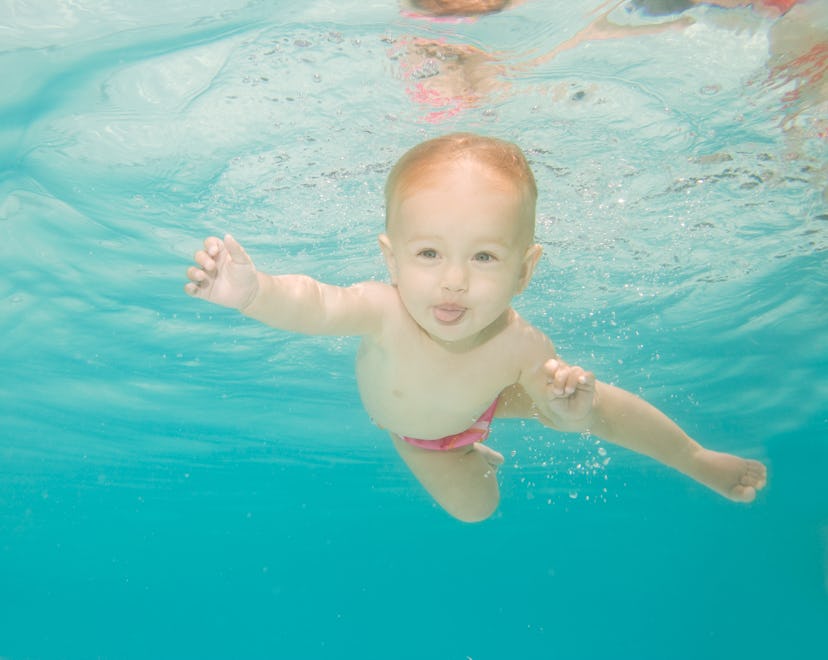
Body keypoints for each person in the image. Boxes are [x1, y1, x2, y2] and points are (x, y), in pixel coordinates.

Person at [184, 133, 767, 523]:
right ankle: (476, 457)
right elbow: (313, 304)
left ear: (525, 269)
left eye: (485, 257)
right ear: (392, 259)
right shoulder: (381, 307)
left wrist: (572, 408)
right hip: (423, 440)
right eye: (430, 254)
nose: (454, 281)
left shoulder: (523, 345)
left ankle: (694, 458)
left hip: (490, 394)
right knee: (476, 510)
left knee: (602, 404)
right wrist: (254, 293)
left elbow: (568, 419)